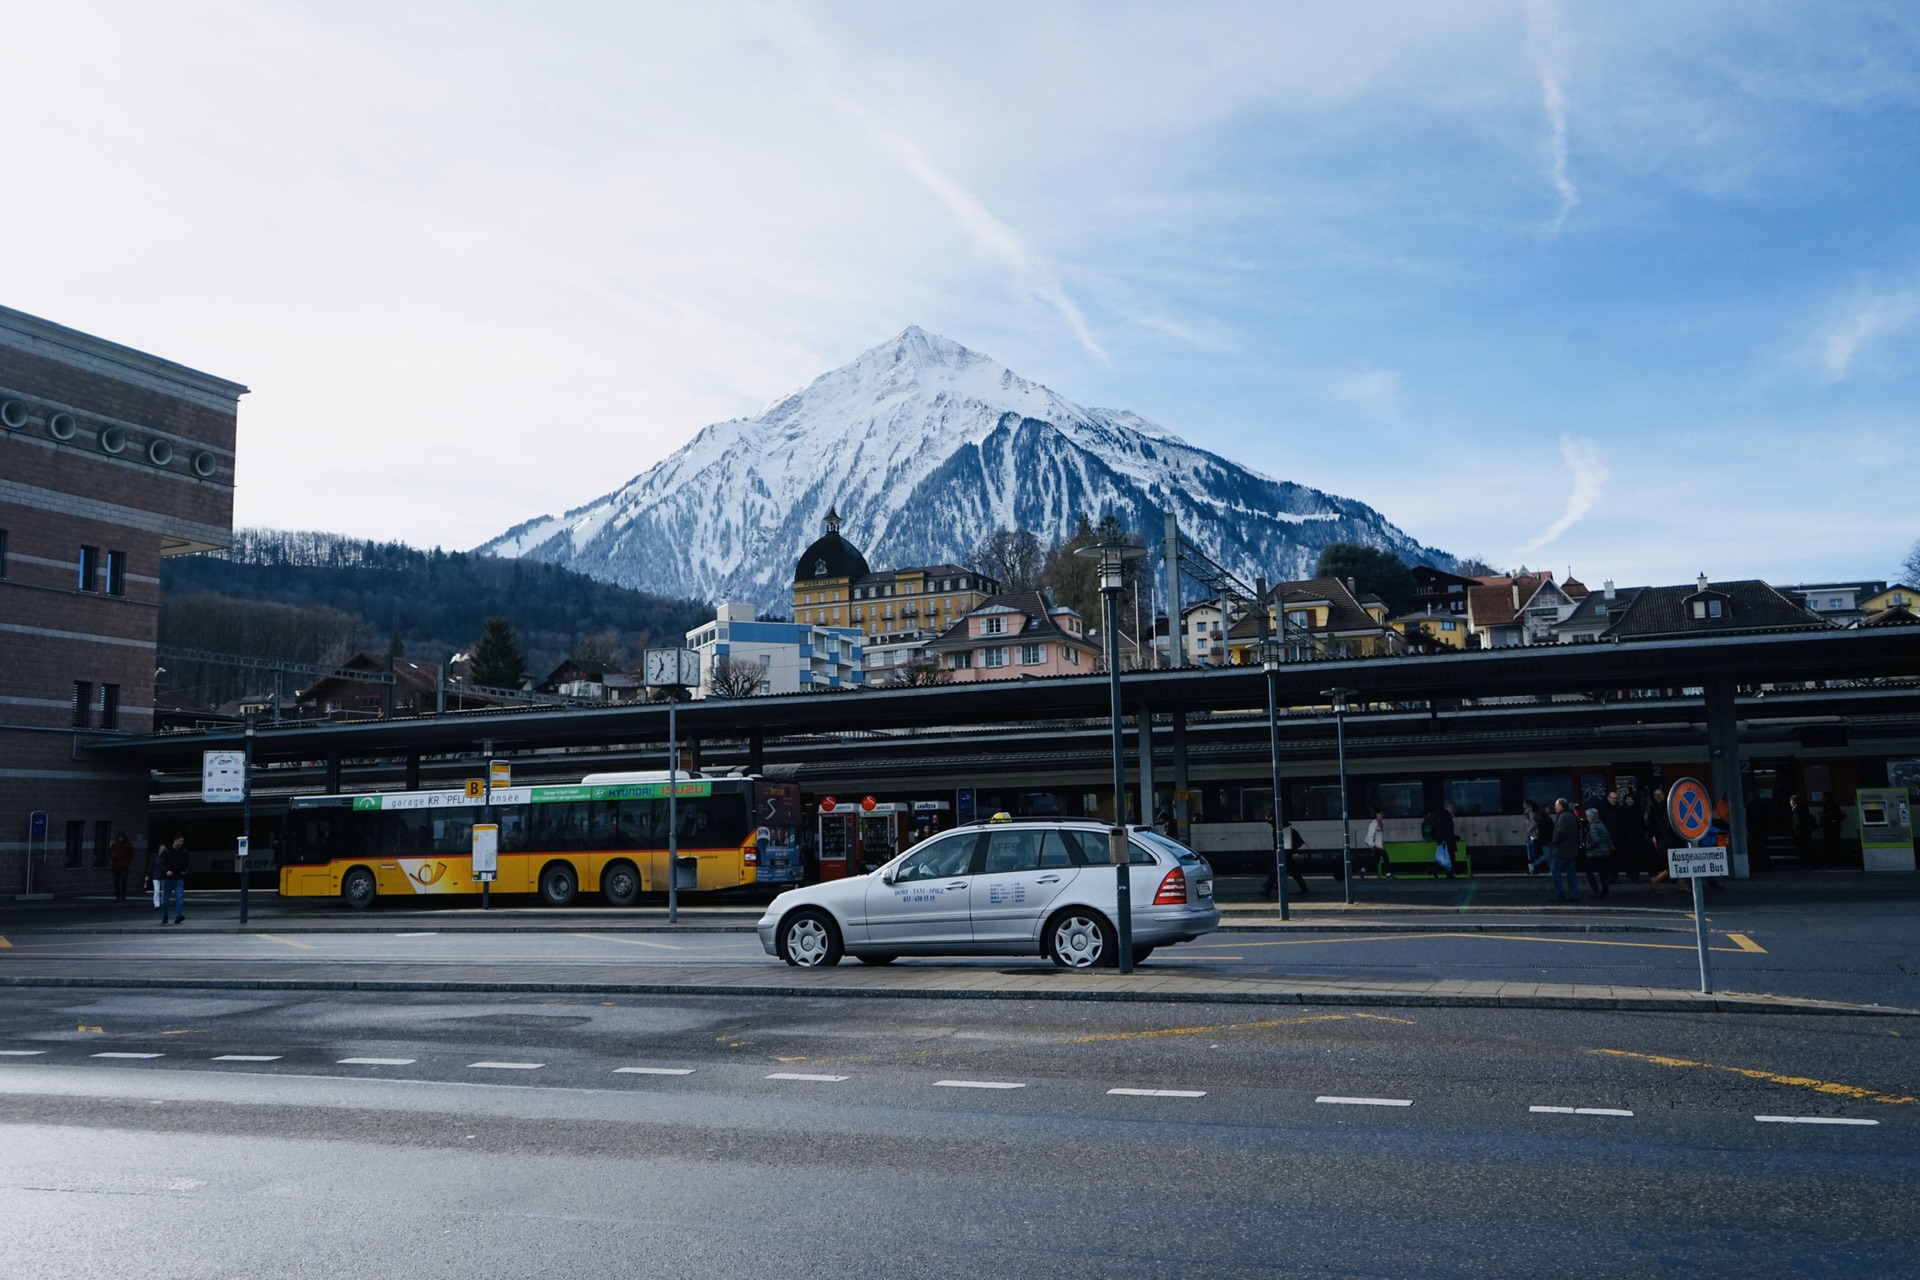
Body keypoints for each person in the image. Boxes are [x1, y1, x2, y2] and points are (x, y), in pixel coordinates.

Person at [1548, 798, 1581, 902]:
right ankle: (1575, 894)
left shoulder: (1562, 817)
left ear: (1561, 806)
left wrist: (1553, 841)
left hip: (1562, 849)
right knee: (1571, 873)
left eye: (1556, 805)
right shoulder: (1572, 816)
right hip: (1571, 849)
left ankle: (1559, 894)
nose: (1554, 807)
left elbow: (1561, 832)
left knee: (1555, 870)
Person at [157, 835, 188, 925]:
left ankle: (179, 915)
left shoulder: (184, 852)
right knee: (165, 899)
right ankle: (165, 915)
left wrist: (185, 870)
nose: (182, 843)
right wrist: (166, 871)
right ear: (175, 841)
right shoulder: (167, 852)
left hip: (178, 878)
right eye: (180, 841)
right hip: (168, 878)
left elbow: (186, 864)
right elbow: (161, 864)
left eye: (182, 841)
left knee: (179, 896)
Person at [1584, 807, 1614, 898]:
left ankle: (1595, 889)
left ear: (1591, 817)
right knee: (1603, 873)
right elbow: (1608, 838)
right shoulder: (1602, 825)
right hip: (1604, 852)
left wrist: (1587, 847)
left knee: (1589, 871)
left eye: (1588, 816)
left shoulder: (1593, 826)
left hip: (1595, 853)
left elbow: (1596, 840)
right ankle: (1605, 890)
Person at [1359, 809, 1392, 880]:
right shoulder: (1374, 824)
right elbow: (1370, 834)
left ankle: (1362, 870)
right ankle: (1388, 874)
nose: (1382, 816)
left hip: (1379, 845)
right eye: (1381, 814)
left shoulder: (1380, 823)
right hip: (1377, 846)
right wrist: (1372, 845)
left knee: (1375, 861)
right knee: (1386, 858)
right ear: (1377, 814)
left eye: (1383, 814)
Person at [1430, 801, 1458, 879]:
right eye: (1452, 808)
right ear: (1448, 807)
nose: (1453, 809)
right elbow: (1444, 828)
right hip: (1447, 839)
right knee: (1450, 857)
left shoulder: (1442, 815)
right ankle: (1449, 874)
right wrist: (1444, 838)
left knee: (1446, 857)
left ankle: (1437, 869)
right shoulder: (1445, 816)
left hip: (1446, 839)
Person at [107, 831, 135, 902]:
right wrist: (113, 856)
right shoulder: (114, 844)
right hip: (116, 865)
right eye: (119, 837)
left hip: (124, 865)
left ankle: (123, 895)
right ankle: (117, 896)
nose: (121, 839)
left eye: (122, 837)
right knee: (116, 881)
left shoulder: (128, 845)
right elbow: (110, 853)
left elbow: (131, 855)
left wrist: (128, 862)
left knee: (124, 880)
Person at [1819, 800, 1846, 866]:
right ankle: (1834, 859)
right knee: (1834, 843)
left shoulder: (1831, 806)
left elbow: (1840, 816)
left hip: (1830, 827)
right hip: (1833, 827)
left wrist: (1832, 820)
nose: (1823, 798)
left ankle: (1832, 860)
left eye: (1824, 797)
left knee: (1831, 843)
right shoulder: (1833, 806)